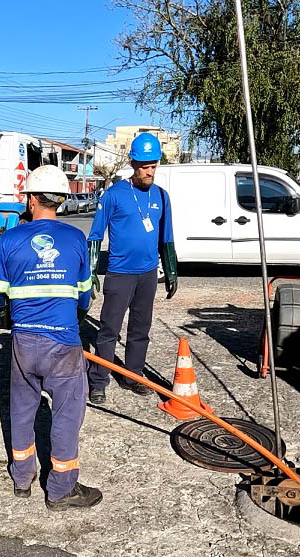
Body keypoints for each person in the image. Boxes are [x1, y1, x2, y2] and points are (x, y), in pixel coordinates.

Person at [0, 164, 102, 511]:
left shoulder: (9, 240)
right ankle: (61, 489)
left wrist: (4, 316)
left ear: (32, 199)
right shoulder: (76, 240)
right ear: (62, 200)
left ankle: (22, 479)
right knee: (66, 413)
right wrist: (71, 316)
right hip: (64, 343)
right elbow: (84, 296)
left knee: (22, 409)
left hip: (23, 342)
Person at [86, 133, 178, 405]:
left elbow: (167, 237)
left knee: (141, 328)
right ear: (133, 163)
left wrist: (171, 271)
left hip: (148, 274)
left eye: (153, 165)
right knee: (109, 329)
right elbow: (95, 235)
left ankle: (133, 375)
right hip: (120, 273)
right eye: (144, 166)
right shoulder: (114, 196)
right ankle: (99, 380)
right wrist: (90, 272)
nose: (149, 171)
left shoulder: (161, 196)